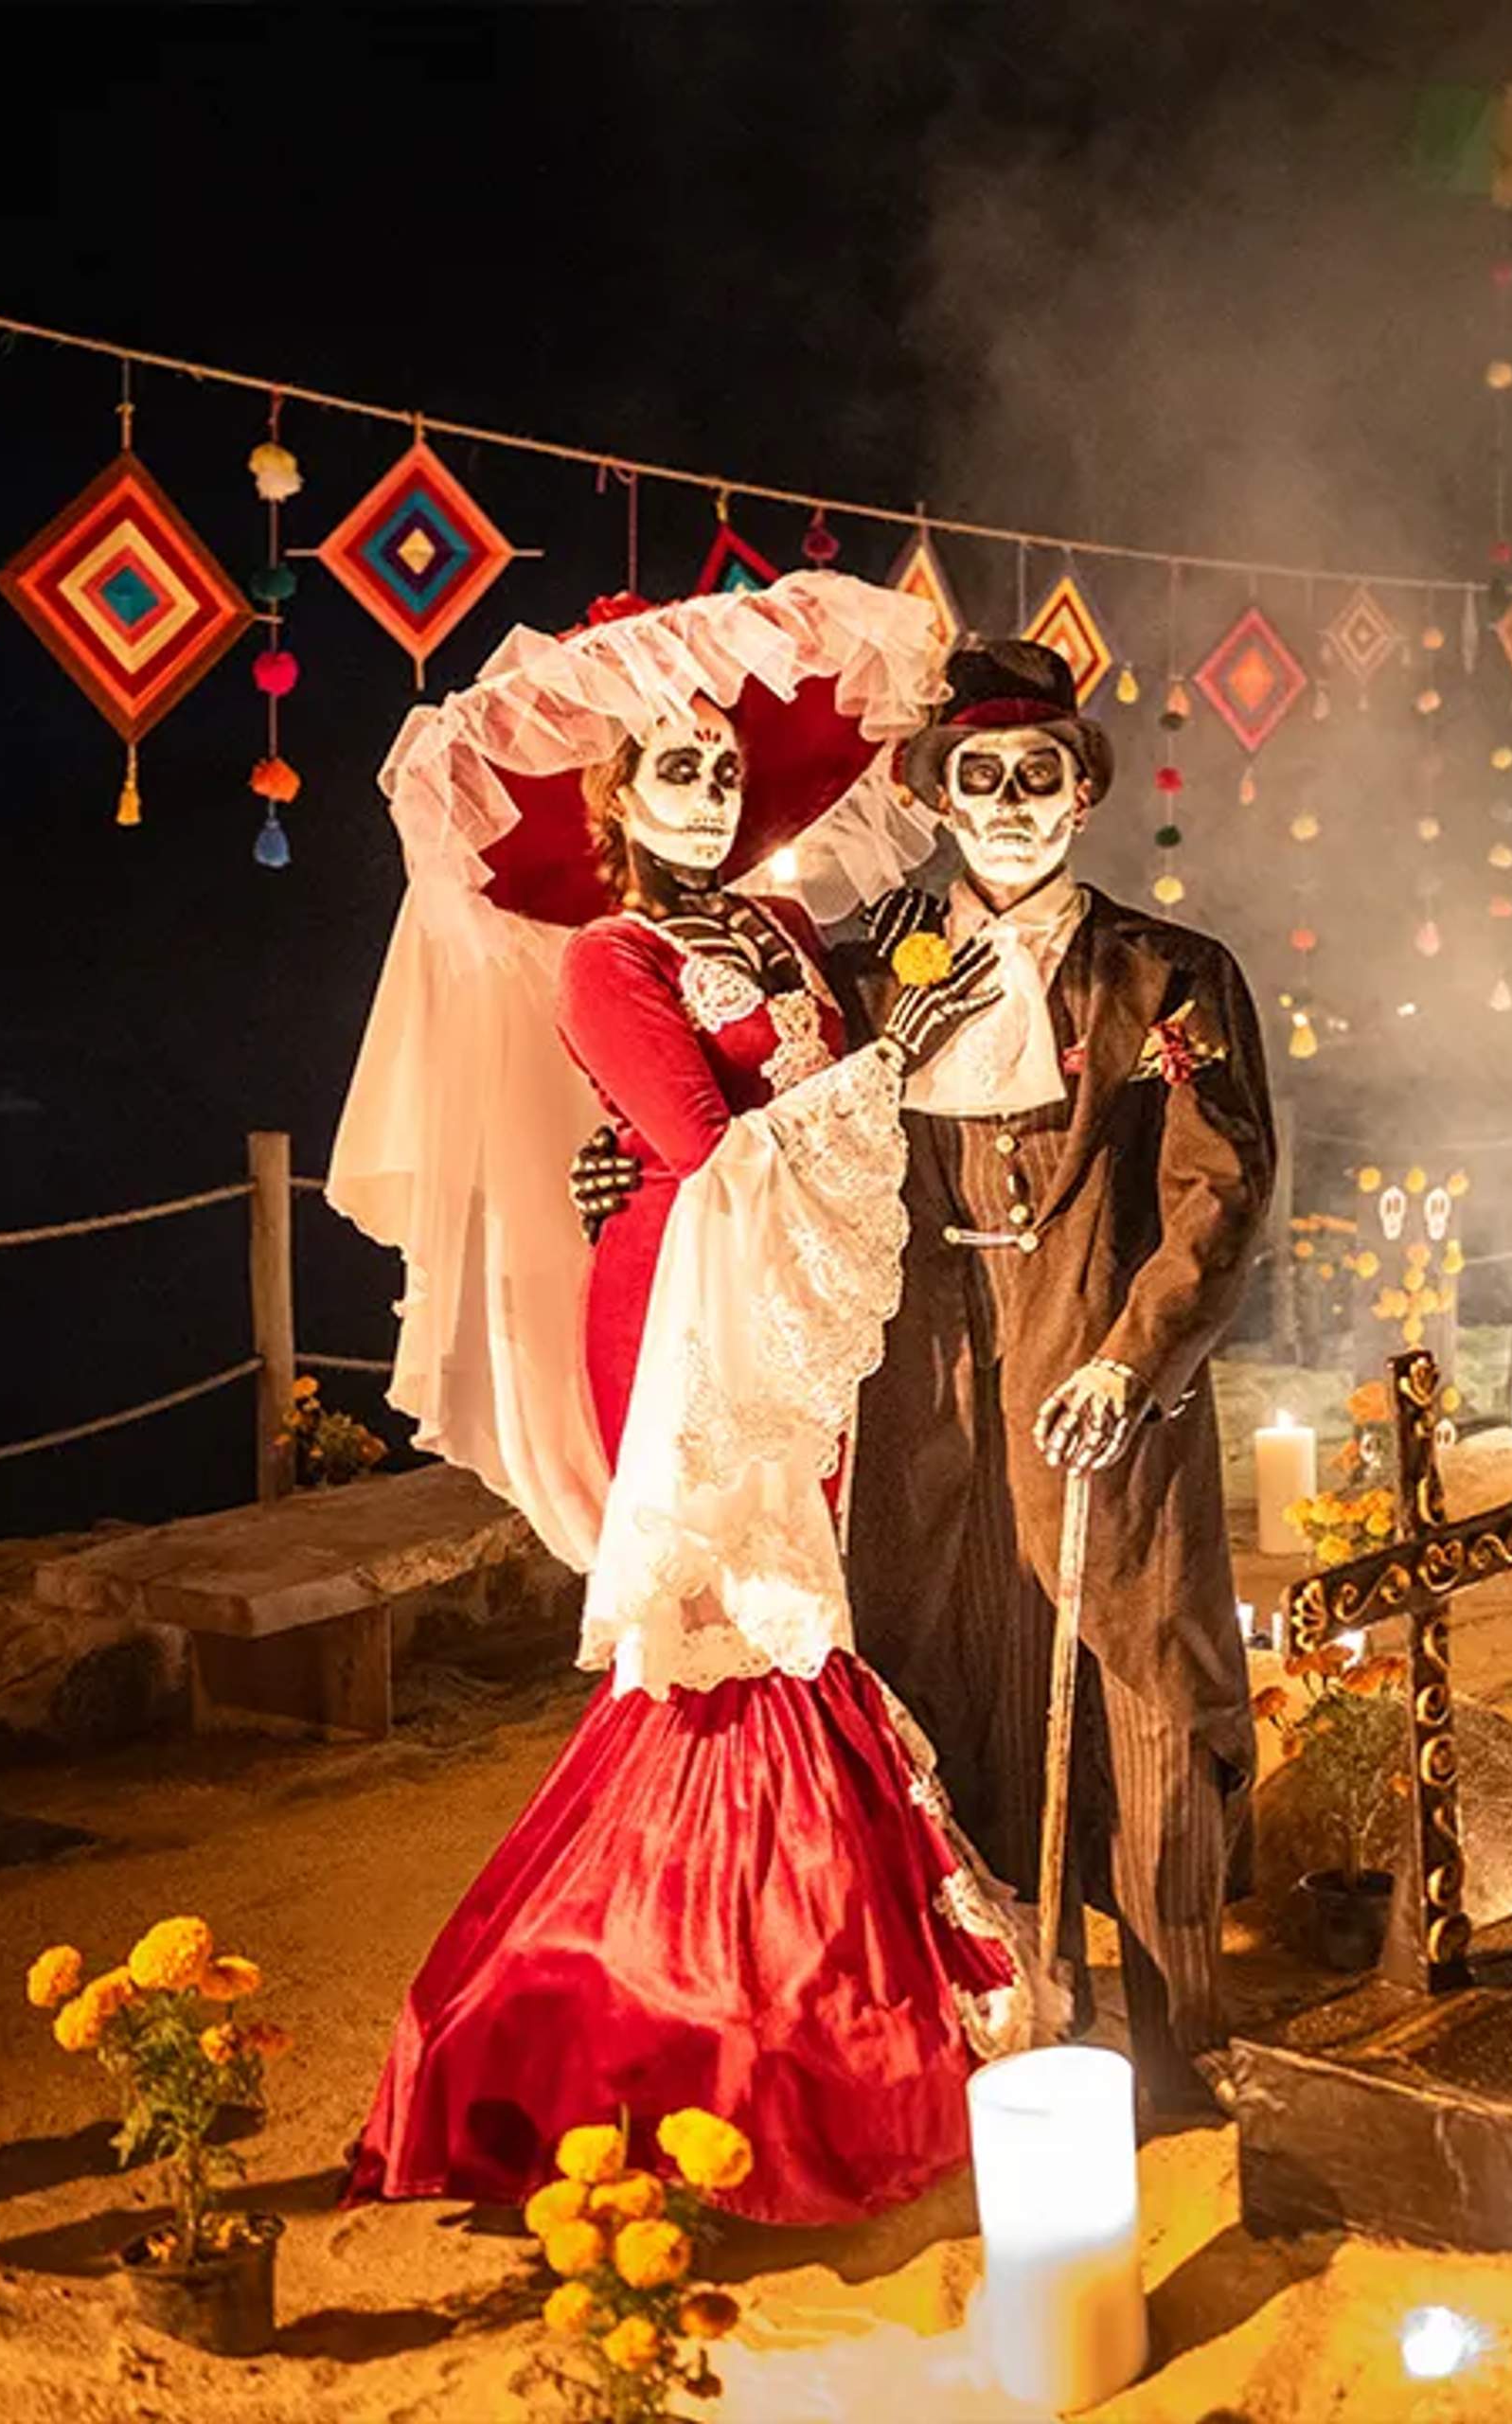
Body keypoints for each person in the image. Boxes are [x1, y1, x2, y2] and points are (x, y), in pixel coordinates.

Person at [329, 578, 1023, 2225]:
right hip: (685, 1302)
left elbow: (802, 1111)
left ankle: (810, 1970)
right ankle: (685, 1993)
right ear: (616, 799)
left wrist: (889, 1036)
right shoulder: (608, 960)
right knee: (732, 1619)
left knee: (811, 1611)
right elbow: (706, 1151)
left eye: (720, 767)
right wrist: (889, 1058)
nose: (708, 793)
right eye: (673, 770)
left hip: (798, 1290)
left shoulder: (776, 931)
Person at [841, 636, 1274, 2120]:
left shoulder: (1172, 973)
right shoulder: (868, 962)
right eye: (983, 777)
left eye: (1041, 777)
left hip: (1090, 1333)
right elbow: (774, 1130)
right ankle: (991, 2010)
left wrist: (1130, 1354)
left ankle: (1175, 2049)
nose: (1013, 803)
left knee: (1142, 1667)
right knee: (936, 1653)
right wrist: (624, 1181)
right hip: (918, 1359)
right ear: (939, 796)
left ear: (1081, 793)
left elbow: (1220, 1190)